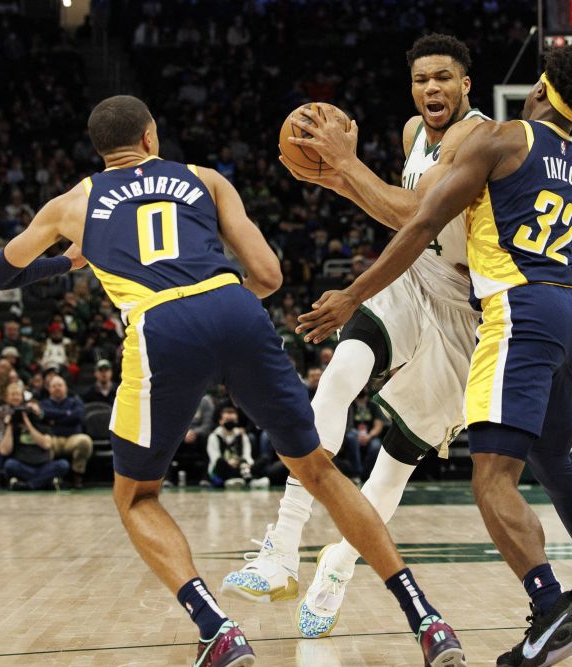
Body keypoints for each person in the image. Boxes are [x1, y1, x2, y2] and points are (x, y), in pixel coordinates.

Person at [0, 94, 464, 666]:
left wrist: (69, 262)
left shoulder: (71, 203)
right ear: (151, 137)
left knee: (136, 496)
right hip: (234, 307)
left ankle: (219, 630)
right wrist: (225, 306)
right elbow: (267, 274)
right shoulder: (205, 179)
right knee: (320, 472)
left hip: (160, 325)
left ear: (99, 149)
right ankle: (426, 619)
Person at [296, 46, 572, 666]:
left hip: (519, 312)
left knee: (492, 477)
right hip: (570, 315)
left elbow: (422, 223)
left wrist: (354, 291)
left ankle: (549, 614)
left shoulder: (502, 137)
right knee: (550, 456)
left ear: (539, 90)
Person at [224, 34, 492, 640]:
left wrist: (345, 165)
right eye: (423, 79)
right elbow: (397, 213)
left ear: (466, 84)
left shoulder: (478, 137)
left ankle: (339, 566)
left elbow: (417, 214)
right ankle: (282, 546)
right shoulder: (410, 134)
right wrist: (335, 179)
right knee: (338, 379)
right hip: (411, 272)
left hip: (466, 314)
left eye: (444, 78)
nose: (432, 89)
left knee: (395, 465)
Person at [0, 382, 70, 490]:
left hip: (43, 465)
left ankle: (29, 485)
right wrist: (10, 425)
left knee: (63, 465)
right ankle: (44, 482)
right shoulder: (15, 428)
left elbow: (46, 445)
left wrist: (28, 425)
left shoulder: (44, 427)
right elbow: (3, 450)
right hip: (23, 466)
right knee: (9, 465)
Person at [40, 375, 93, 488]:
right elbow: (44, 415)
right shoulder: (44, 403)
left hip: (72, 438)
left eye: (60, 385)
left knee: (85, 441)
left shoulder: (75, 401)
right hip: (53, 438)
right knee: (43, 443)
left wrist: (55, 419)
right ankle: (51, 477)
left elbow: (78, 416)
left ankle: (77, 476)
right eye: (54, 386)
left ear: (66, 388)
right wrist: (67, 414)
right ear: (49, 389)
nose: (57, 388)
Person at [206, 405, 254, 488]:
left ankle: (236, 480)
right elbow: (214, 458)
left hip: (240, 466)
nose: (230, 422)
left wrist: (244, 463)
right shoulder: (214, 436)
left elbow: (247, 455)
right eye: (227, 420)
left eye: (233, 420)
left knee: (263, 459)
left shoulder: (242, 435)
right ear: (220, 421)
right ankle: (244, 480)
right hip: (223, 468)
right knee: (220, 462)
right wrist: (229, 462)